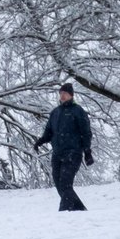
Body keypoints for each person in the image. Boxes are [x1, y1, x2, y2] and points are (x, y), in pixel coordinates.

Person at [34, 83, 93, 211]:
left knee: (65, 182)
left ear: (71, 95)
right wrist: (40, 141)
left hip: (73, 153)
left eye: (65, 93)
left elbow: (86, 133)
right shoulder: (55, 112)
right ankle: (79, 209)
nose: (62, 96)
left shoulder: (78, 111)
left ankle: (64, 212)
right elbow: (49, 132)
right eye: (60, 94)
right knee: (59, 183)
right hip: (57, 153)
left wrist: (87, 152)